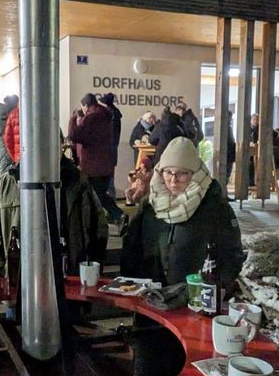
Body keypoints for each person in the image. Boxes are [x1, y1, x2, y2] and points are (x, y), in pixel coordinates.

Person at [121, 137, 245, 289]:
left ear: (195, 174)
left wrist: (213, 289)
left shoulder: (214, 207)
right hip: (152, 299)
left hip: (195, 299)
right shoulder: (150, 205)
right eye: (168, 172)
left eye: (182, 173)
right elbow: (132, 250)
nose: (173, 180)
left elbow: (231, 256)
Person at [0, 155, 108, 280]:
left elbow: (99, 227)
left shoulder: (77, 182)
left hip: (71, 282)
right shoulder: (6, 184)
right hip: (21, 286)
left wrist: (92, 269)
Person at [67, 93, 125, 226]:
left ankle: (118, 215)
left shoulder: (92, 117)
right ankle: (111, 217)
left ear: (86, 105)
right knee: (99, 194)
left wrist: (74, 118)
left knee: (96, 195)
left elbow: (74, 135)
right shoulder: (105, 115)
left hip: (94, 165)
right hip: (105, 163)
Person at [99, 92, 123, 197]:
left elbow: (110, 135)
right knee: (110, 176)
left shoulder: (110, 116)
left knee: (108, 178)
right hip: (112, 151)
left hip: (108, 151)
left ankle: (111, 200)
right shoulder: (115, 114)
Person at [0, 94, 19, 174]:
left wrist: (1, 145)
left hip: (2, 149)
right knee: (19, 175)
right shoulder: (19, 115)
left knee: (4, 176)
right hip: (17, 149)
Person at [248, 113, 259, 187]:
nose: (256, 121)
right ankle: (250, 183)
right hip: (249, 151)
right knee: (250, 165)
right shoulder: (248, 129)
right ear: (251, 120)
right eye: (254, 119)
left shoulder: (261, 129)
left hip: (259, 151)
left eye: (257, 119)